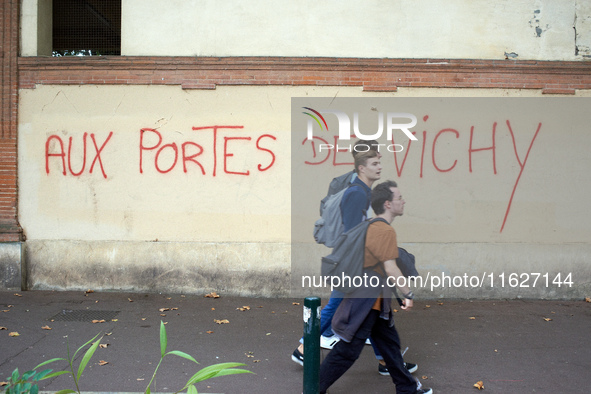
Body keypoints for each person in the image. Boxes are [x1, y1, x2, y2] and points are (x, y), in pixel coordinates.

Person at [292, 143, 417, 375]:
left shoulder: (363, 190)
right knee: (341, 306)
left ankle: (386, 361)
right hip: (354, 265)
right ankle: (302, 348)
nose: (380, 164)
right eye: (375, 162)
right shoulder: (357, 193)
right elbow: (353, 232)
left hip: (362, 263)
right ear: (362, 166)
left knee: (376, 312)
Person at [318, 181, 432, 394]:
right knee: (348, 351)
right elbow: (390, 268)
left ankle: (407, 388)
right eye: (399, 198)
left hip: (375, 298)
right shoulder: (383, 231)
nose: (403, 201)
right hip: (367, 300)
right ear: (388, 204)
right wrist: (408, 293)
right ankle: (313, 388)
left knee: (389, 345)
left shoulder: (371, 225)